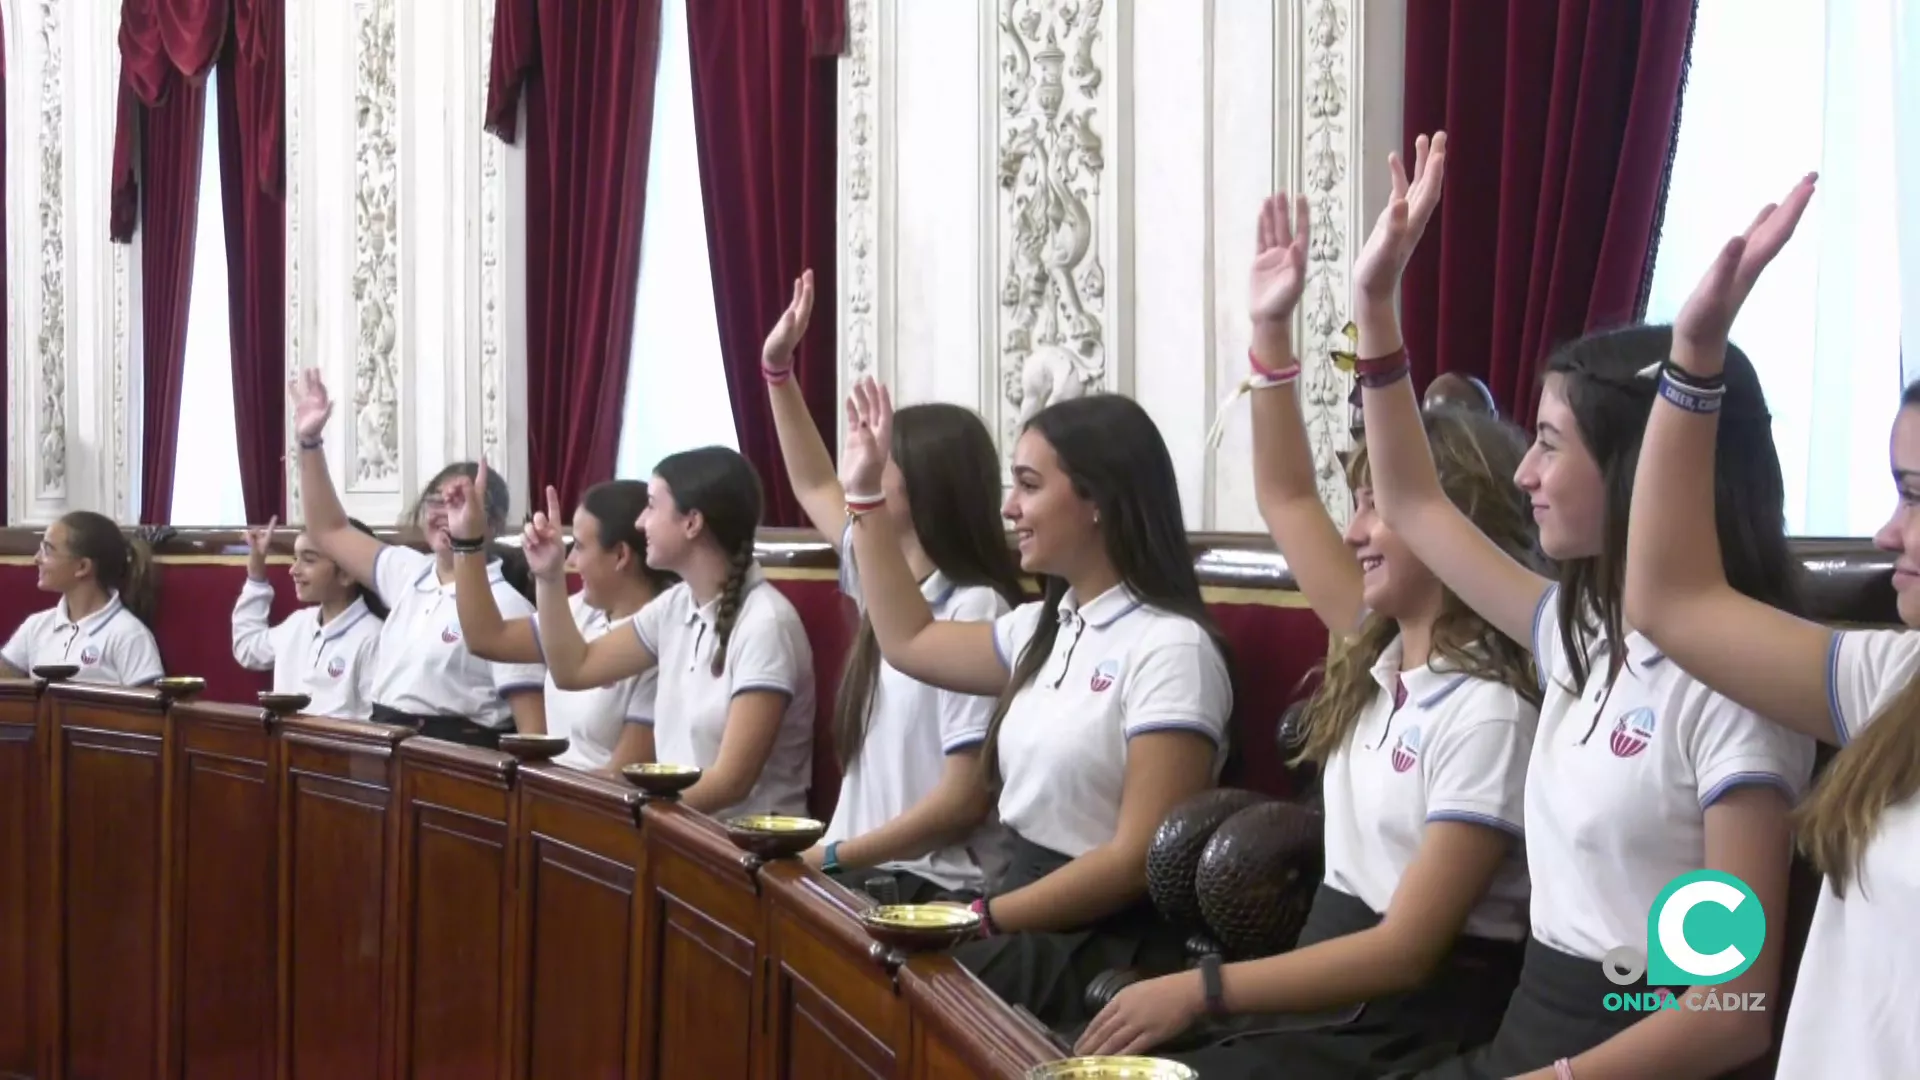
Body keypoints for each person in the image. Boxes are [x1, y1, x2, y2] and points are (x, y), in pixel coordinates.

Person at [1355, 134, 1814, 1080]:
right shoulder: (1578, 632)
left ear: (1641, 469)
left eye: (1552, 445)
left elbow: (1729, 1011)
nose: (1522, 471)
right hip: (1535, 1032)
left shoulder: (1737, 682)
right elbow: (1410, 501)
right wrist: (1375, 304)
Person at [1077, 191, 1540, 1076]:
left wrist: (1204, 990)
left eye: (1381, 507)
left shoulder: (1487, 709)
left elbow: (1407, 952)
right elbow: (1288, 496)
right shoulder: (1377, 639)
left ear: (1456, 522)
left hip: (1409, 1018)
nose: (1357, 531)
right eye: (1359, 504)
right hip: (1327, 987)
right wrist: (1270, 333)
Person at [1624, 174, 1915, 1077]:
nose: (1887, 532)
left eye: (1916, 498)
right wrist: (1696, 354)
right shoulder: (1898, 681)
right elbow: (1669, 598)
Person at [836, 375, 1233, 1032]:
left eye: (1028, 485)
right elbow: (907, 639)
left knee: (887, 986)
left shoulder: (1170, 647)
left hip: (1099, 932)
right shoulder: (1042, 626)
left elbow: (1133, 860)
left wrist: (983, 918)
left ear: (1098, 499)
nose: (1009, 510)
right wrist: (865, 494)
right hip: (1017, 903)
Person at [761, 269, 1025, 902]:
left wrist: (832, 854)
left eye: (884, 462)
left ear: (928, 486)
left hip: (927, 884)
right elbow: (814, 485)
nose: (865, 470)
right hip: (862, 872)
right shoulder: (882, 571)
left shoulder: (975, 606)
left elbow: (961, 802)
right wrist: (778, 371)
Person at [526, 448, 816, 819]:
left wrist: (632, 816)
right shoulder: (676, 605)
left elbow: (731, 782)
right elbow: (574, 669)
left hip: (745, 847)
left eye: (651, 506)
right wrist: (549, 577)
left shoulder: (765, 623)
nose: (641, 521)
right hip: (679, 829)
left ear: (692, 522)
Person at [288, 369, 547, 746]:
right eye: (436, 502)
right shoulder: (409, 572)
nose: (445, 514)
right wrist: (309, 442)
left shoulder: (509, 606)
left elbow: (533, 733)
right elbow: (329, 530)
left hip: (458, 760)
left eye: (460, 504)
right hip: (383, 747)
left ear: (489, 523)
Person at [450, 466, 670, 774]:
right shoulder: (584, 609)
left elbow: (622, 777)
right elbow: (485, 638)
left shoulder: (662, 635)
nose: (571, 561)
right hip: (557, 790)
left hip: (596, 808)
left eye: (578, 546)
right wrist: (467, 541)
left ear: (621, 555)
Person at [231, 514, 386, 720]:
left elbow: (376, 723)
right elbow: (248, 648)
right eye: (296, 559)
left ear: (348, 573)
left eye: (309, 560)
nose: (293, 570)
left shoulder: (373, 637)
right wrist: (256, 575)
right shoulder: (298, 623)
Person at [0, 511, 165, 686]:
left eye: (48, 550)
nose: (36, 559)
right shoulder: (36, 626)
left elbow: (149, 708)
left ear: (83, 566)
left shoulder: (129, 635)